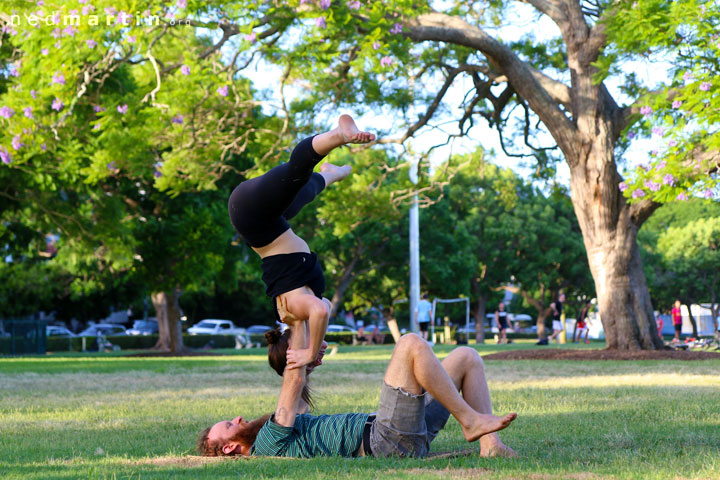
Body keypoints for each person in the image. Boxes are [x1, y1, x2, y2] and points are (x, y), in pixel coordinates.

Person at [198, 328, 518, 459]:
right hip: (384, 440)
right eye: (230, 424)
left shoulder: (285, 435)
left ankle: (491, 446)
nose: (237, 418)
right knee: (409, 344)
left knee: (466, 356)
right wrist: (299, 328)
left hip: (397, 432)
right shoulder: (267, 444)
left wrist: (309, 357)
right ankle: (470, 422)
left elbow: (299, 390)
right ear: (229, 448)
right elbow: (292, 384)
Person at [227, 114, 374, 370]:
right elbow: (325, 307)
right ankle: (329, 174)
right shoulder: (300, 310)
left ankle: (338, 135)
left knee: (297, 173)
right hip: (268, 222)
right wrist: (318, 341)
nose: (319, 359)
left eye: (313, 362)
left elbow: (319, 311)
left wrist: (310, 351)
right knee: (298, 193)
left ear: (293, 346)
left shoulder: (293, 310)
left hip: (253, 216)